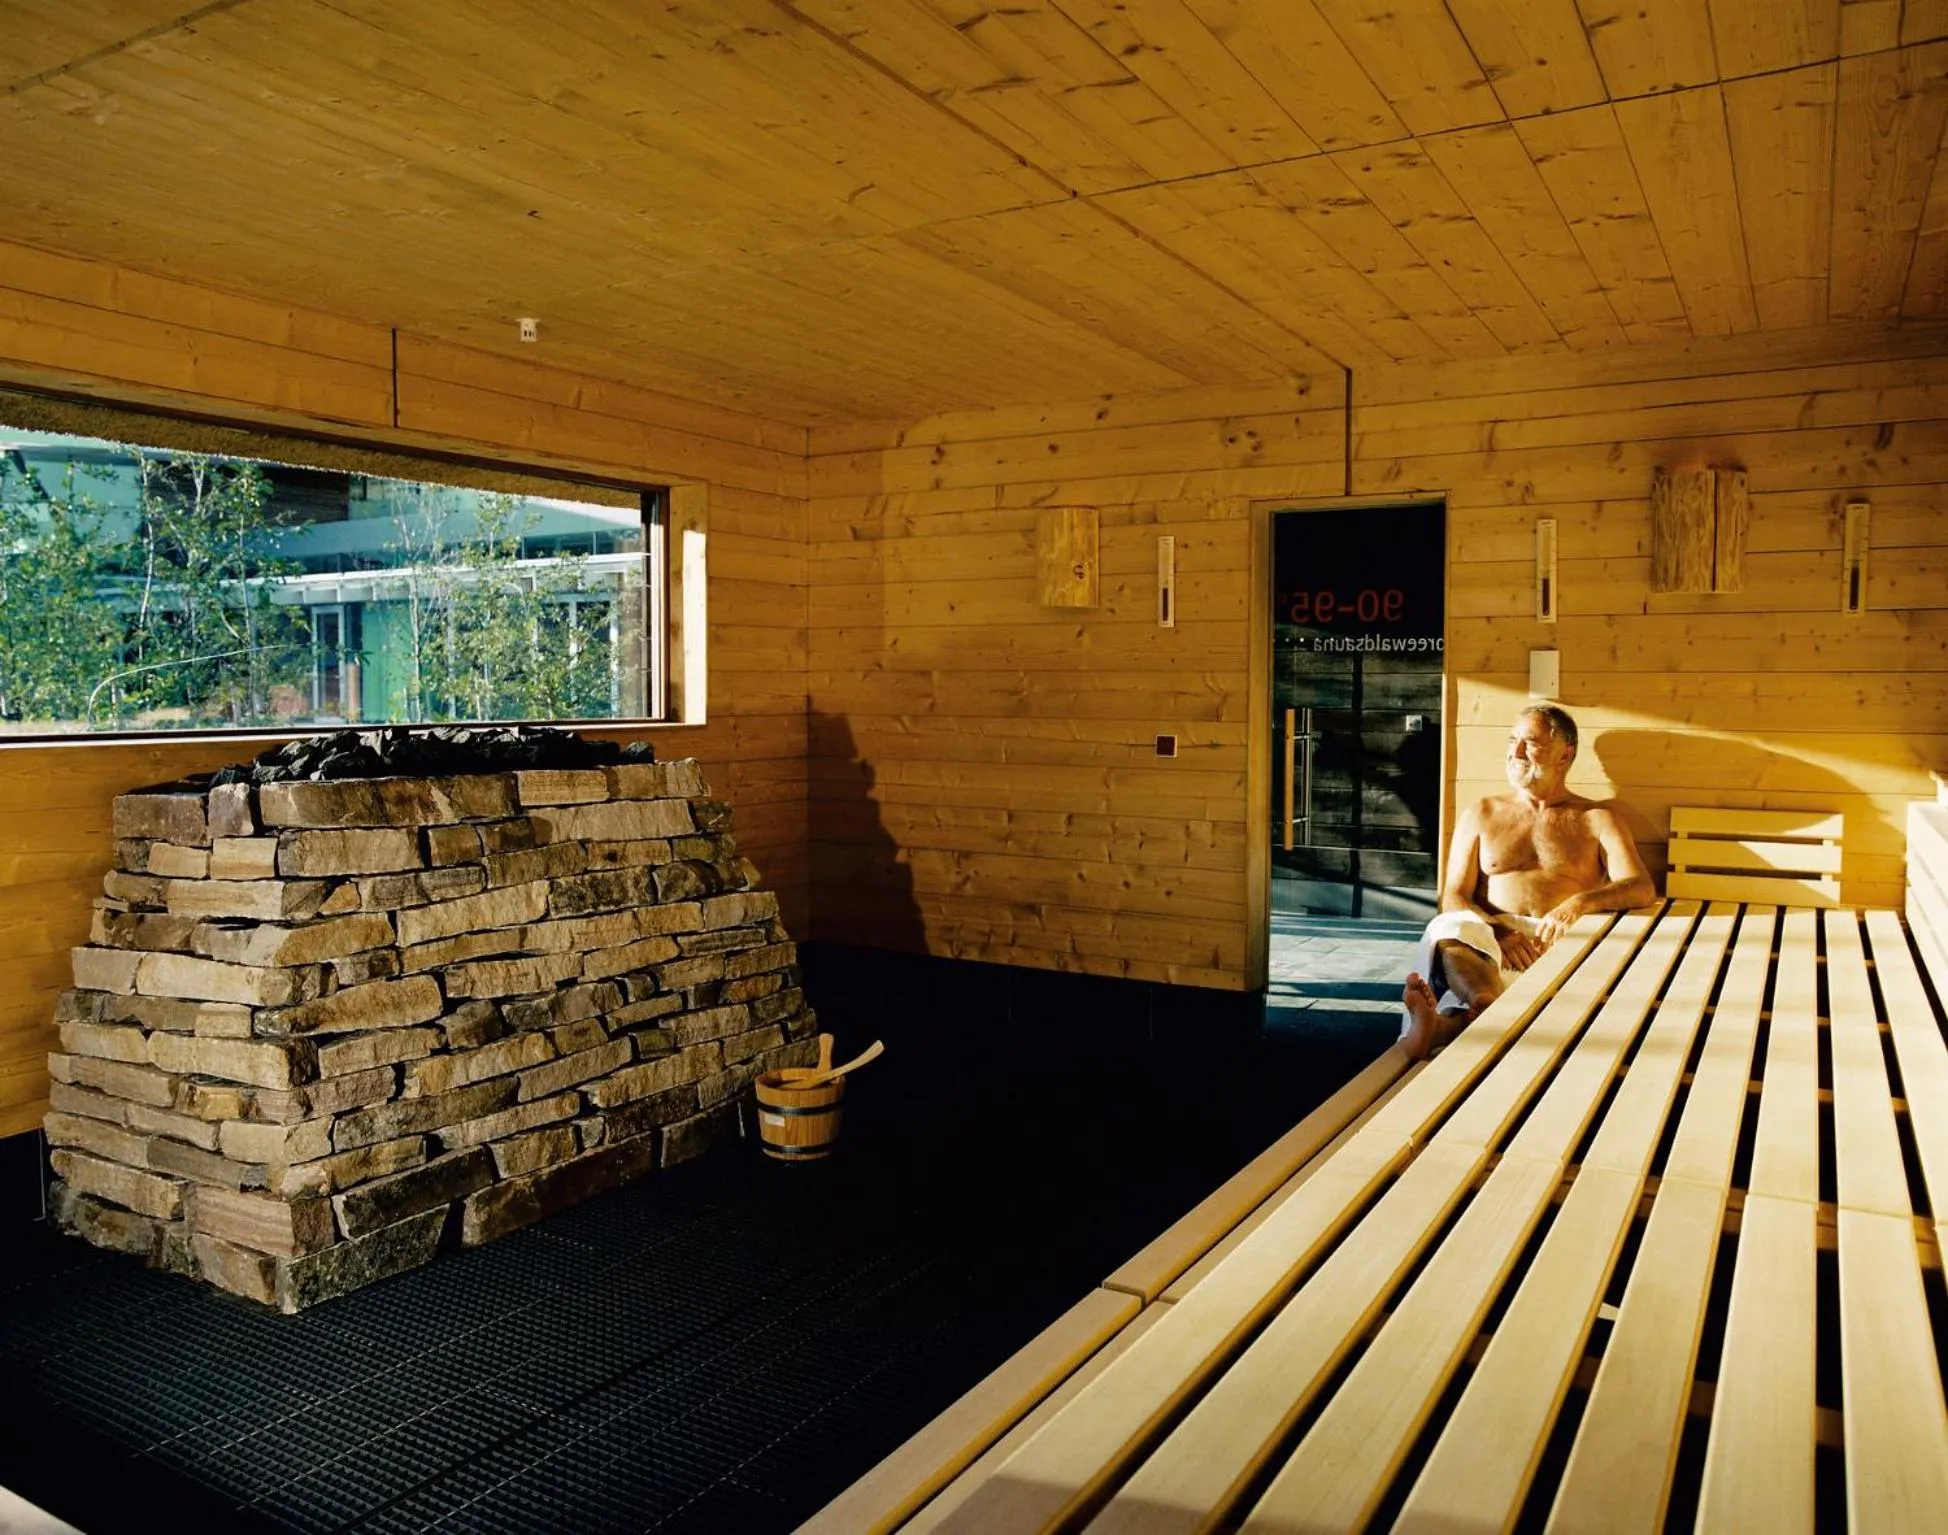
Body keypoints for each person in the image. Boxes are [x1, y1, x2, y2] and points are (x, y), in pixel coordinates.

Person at [1400, 704, 1655, 1060]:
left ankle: (1449, 1026)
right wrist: (1497, 932)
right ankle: (1484, 1002)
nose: (1515, 752)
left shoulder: (1597, 818)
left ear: (1565, 755)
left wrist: (1578, 904)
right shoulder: (1482, 813)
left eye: (1530, 743)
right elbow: (1454, 896)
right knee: (1449, 926)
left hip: (1558, 941)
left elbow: (1640, 886)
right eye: (1513, 740)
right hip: (1490, 939)